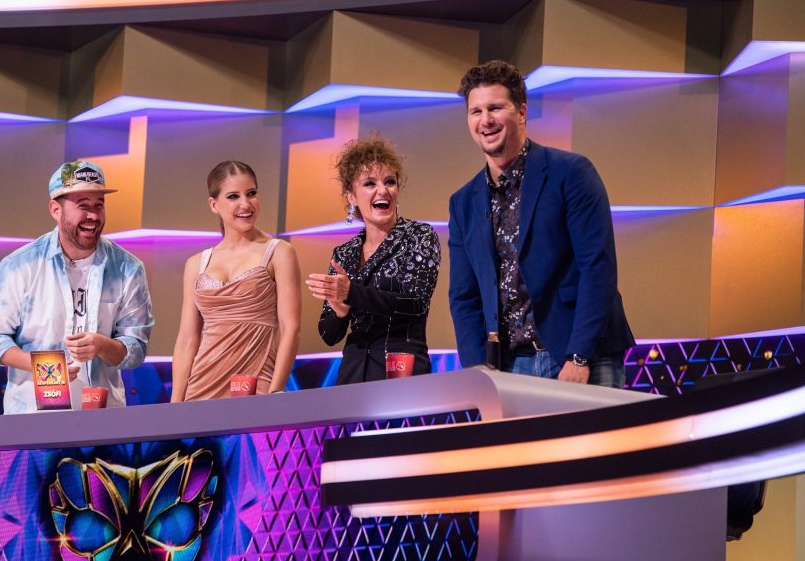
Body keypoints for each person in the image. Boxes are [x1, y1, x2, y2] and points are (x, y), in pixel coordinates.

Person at [448, 60, 634, 387]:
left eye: (495, 108)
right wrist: (479, 371)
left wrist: (579, 356)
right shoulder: (463, 202)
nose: (485, 120)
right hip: (509, 366)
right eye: (476, 111)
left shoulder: (571, 173)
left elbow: (597, 267)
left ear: (521, 112)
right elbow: (464, 297)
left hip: (582, 356)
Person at [0, 160, 154, 413]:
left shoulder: (128, 268)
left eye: (99, 205)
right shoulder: (18, 266)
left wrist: (103, 346)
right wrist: (43, 367)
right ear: (55, 210)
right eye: (83, 206)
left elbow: (136, 348)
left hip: (103, 418)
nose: (93, 216)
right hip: (31, 417)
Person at [306, 135, 441, 385]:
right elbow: (328, 334)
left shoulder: (419, 235)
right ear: (351, 196)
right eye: (370, 183)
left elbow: (415, 303)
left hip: (402, 372)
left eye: (390, 182)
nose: (383, 190)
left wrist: (352, 293)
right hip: (353, 376)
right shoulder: (344, 253)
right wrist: (340, 312)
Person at [171, 161, 301, 401]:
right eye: (233, 196)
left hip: (257, 385)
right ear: (213, 204)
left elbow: (290, 328)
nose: (246, 204)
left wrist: (276, 391)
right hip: (201, 388)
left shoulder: (279, 252)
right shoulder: (196, 263)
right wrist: (175, 404)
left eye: (251, 193)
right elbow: (187, 339)